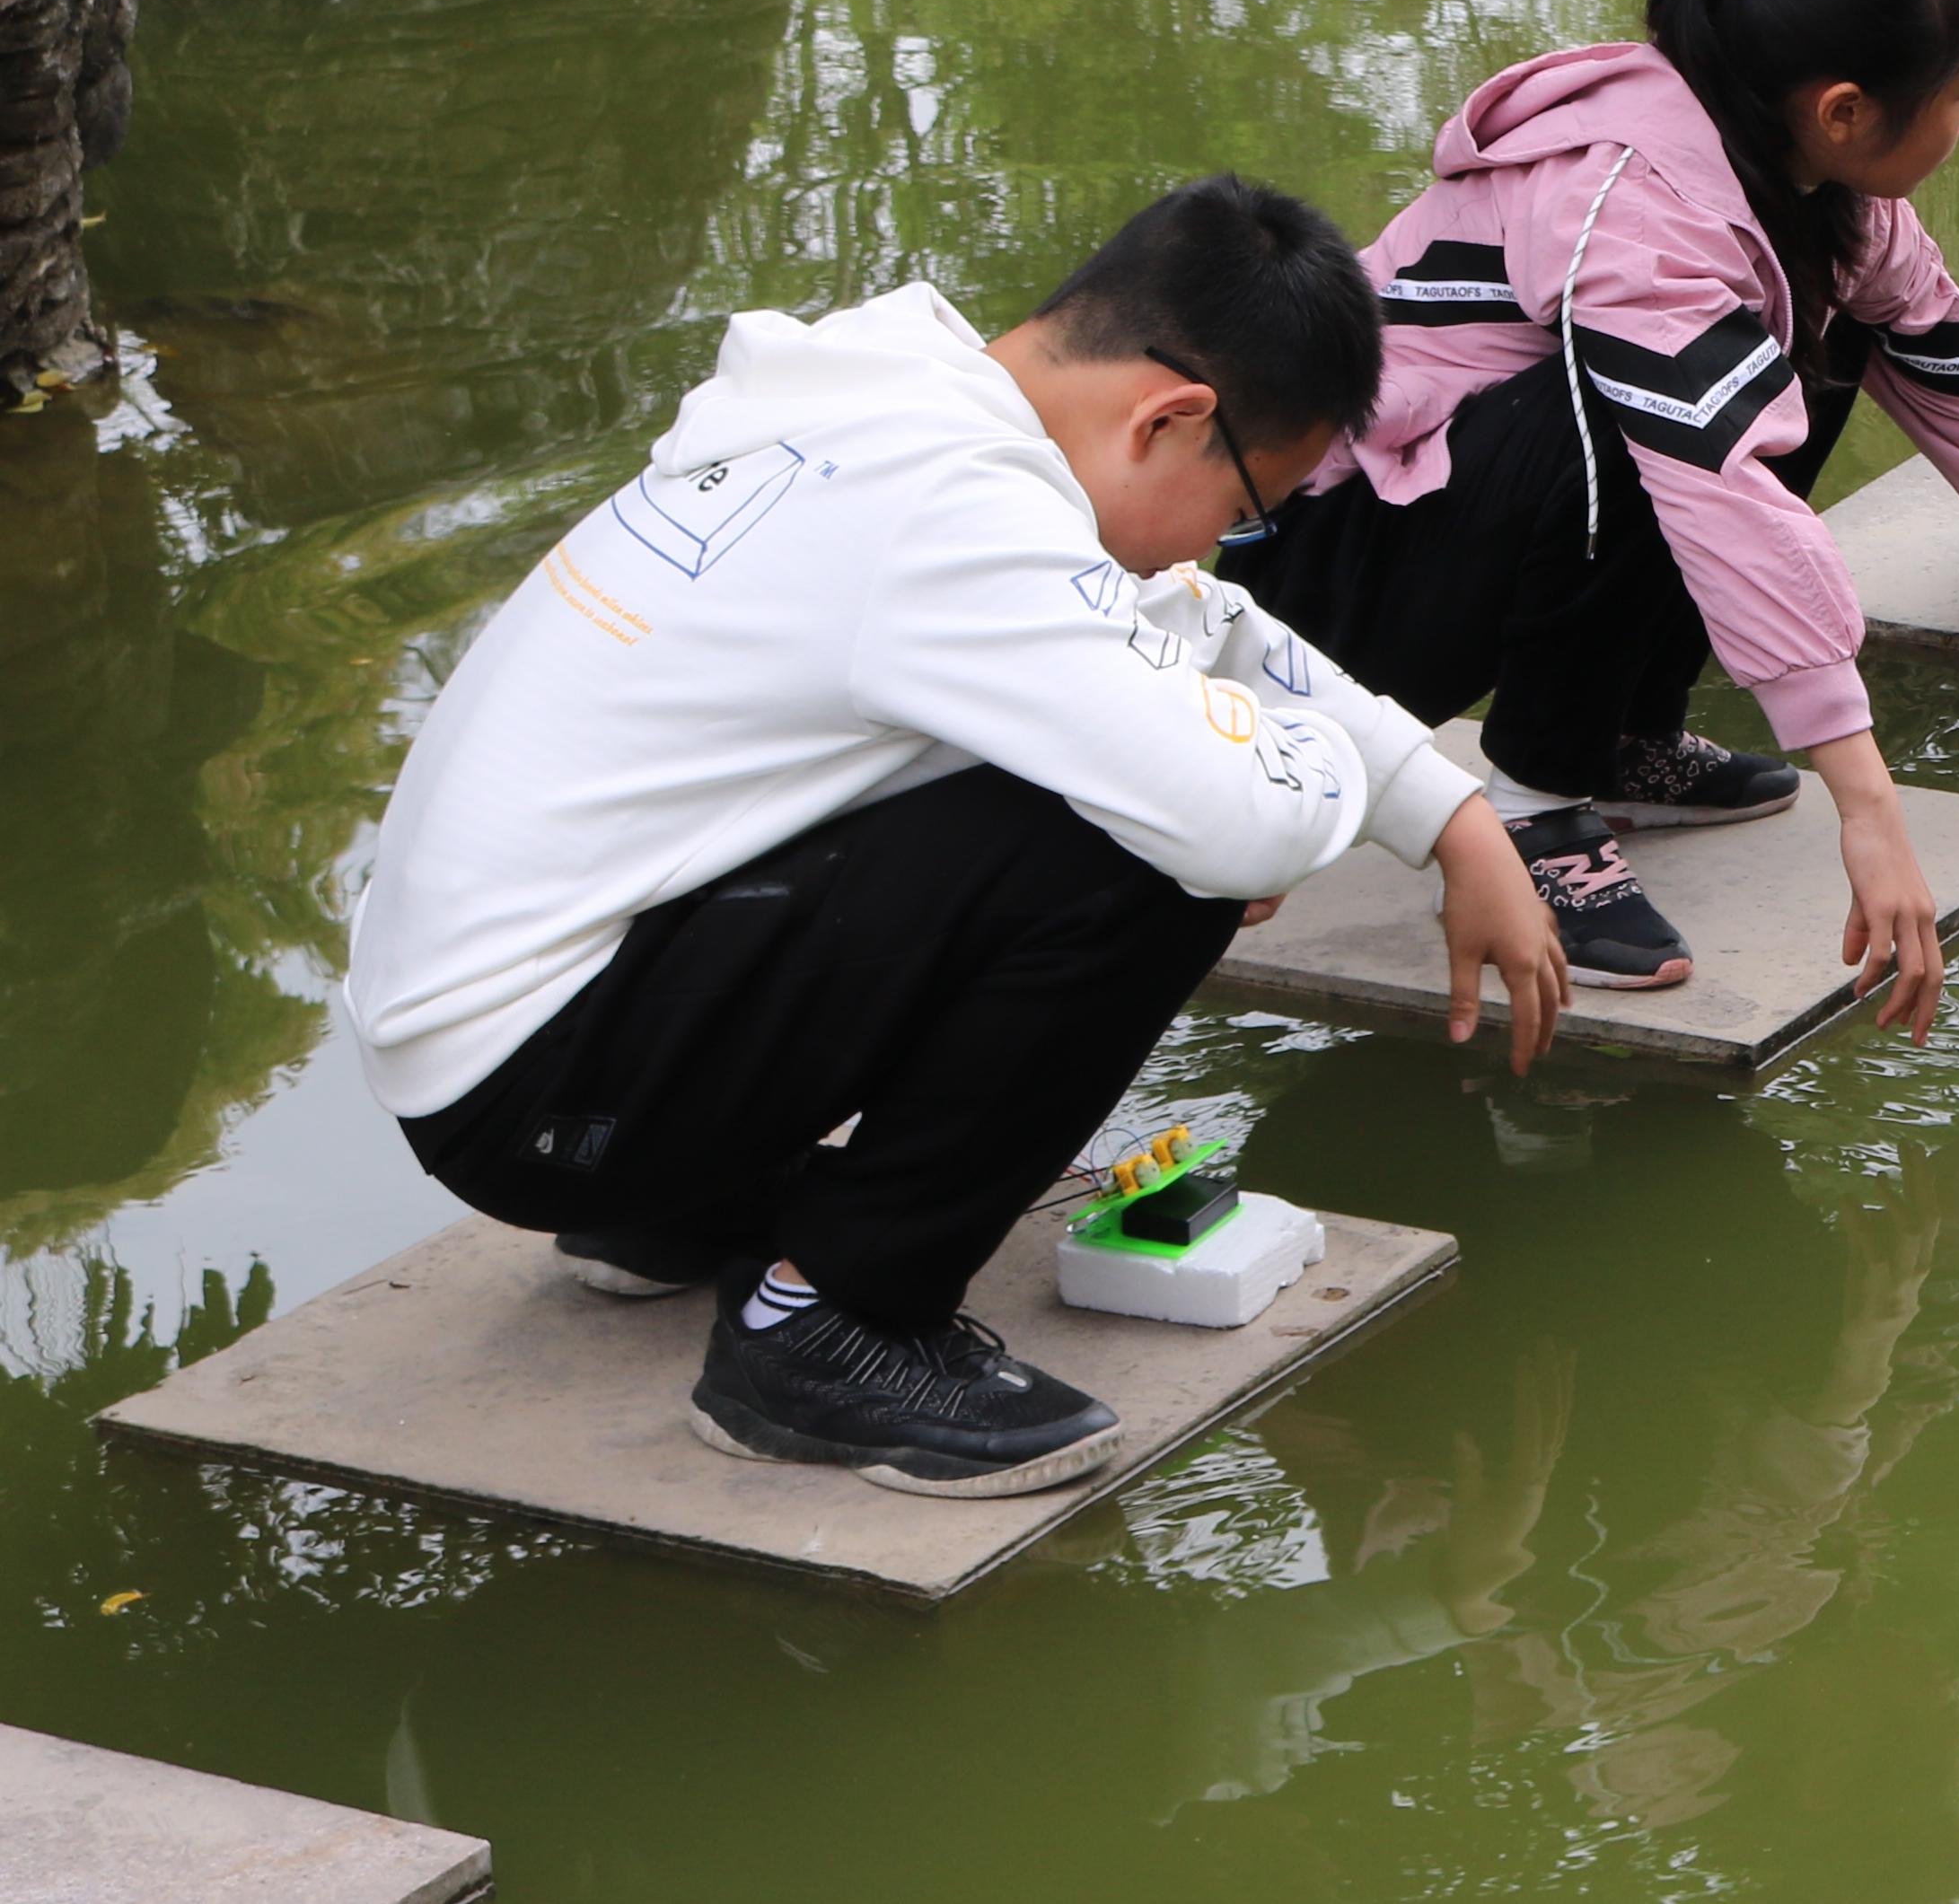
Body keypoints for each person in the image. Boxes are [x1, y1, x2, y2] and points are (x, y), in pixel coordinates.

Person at [333, 179, 1574, 1499]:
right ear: (1170, 418)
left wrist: (1448, 814)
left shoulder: (898, 399)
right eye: (1245, 511)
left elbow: (1200, 627)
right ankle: (832, 1323)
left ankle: (674, 1211)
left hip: (511, 1051)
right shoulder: (954, 520)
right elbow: (1240, 828)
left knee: (1109, 756)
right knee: (1144, 851)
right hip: (542, 1095)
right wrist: (1260, 771)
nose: (1226, 549)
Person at [1236, 0, 1959, 1006]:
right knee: (1654, 412)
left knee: (1808, 355)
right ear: (1844, 109)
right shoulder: (1629, 203)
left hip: (1461, 521)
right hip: (1342, 580)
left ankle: (1623, 738)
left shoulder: (1817, 187)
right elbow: (1717, 487)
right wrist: (1867, 803)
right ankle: (1534, 801)